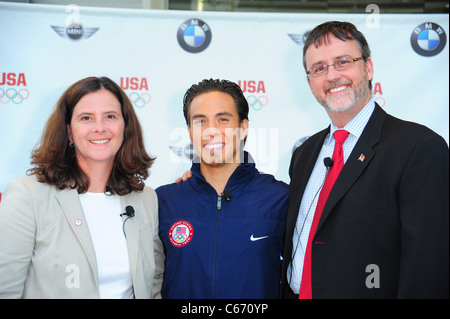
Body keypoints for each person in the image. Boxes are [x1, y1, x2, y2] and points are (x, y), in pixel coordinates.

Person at [280, 21, 449, 299]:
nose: (332, 76)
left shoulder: (419, 148)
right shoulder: (305, 153)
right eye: (319, 68)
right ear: (310, 83)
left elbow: (428, 267)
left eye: (343, 62)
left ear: (368, 68)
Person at [0, 76, 164, 298]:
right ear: (68, 131)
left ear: (125, 127)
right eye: (86, 118)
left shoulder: (146, 198)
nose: (99, 128)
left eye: (110, 116)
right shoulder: (27, 195)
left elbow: (154, 285)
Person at [156, 79, 288, 298]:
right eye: (200, 121)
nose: (211, 131)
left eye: (223, 119)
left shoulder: (281, 199)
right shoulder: (163, 201)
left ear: (243, 127)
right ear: (189, 132)